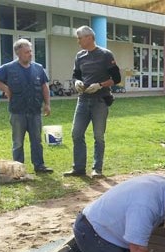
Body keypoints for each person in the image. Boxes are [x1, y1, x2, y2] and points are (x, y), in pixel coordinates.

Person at [0, 39, 53, 173]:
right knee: (18, 142)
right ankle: (18, 168)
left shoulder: (38, 68)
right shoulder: (8, 68)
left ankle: (39, 166)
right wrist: (5, 88)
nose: (30, 54)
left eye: (30, 51)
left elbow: (44, 87)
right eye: (27, 52)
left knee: (37, 141)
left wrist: (47, 104)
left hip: (35, 111)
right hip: (18, 112)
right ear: (18, 53)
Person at [63, 25, 121, 178]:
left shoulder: (106, 55)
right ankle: (79, 168)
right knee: (76, 133)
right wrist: (76, 82)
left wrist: (100, 85)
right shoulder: (79, 56)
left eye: (80, 38)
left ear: (89, 37)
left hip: (100, 101)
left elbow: (117, 78)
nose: (78, 41)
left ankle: (97, 169)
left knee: (98, 136)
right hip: (83, 100)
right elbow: (76, 74)